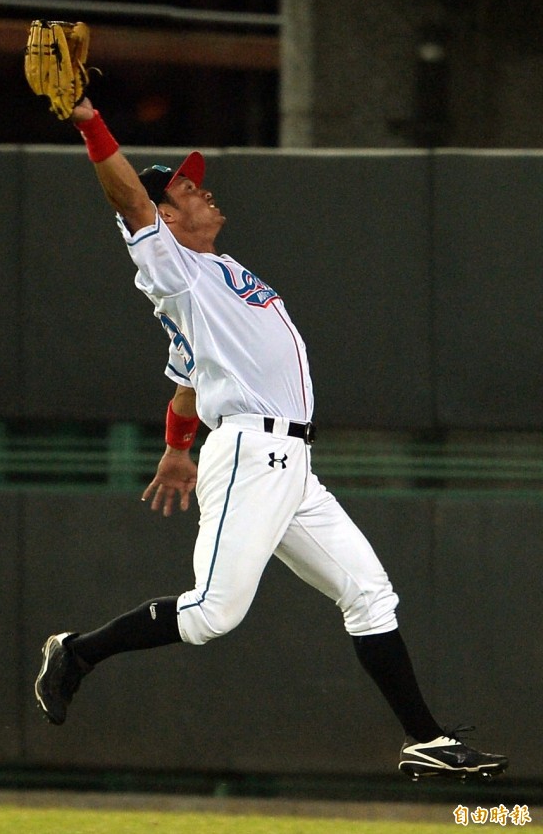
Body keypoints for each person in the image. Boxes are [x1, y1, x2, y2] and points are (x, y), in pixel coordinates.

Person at [33, 94, 508, 781]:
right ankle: (76, 653)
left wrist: (174, 447)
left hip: (290, 462)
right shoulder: (174, 267)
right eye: (189, 189)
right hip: (255, 451)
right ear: (165, 218)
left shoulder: (220, 275)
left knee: (369, 592)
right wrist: (87, 120)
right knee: (211, 614)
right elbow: (131, 200)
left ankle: (425, 739)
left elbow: (187, 382)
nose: (204, 191)